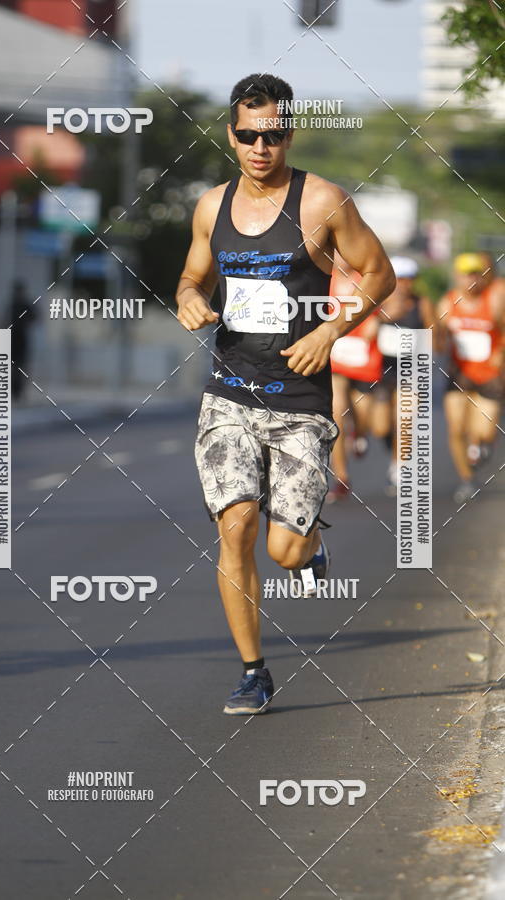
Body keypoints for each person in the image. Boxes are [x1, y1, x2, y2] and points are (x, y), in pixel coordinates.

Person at [175, 74, 395, 715]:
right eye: (248, 136)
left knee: (284, 549)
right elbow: (193, 274)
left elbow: (377, 273)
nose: (260, 148)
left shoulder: (322, 200)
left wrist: (333, 329)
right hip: (229, 391)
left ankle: (309, 545)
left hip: (300, 400)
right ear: (231, 136)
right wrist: (190, 297)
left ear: (289, 134)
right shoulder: (211, 207)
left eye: (272, 136)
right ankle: (253, 671)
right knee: (235, 526)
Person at [437, 252, 505, 503]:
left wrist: (500, 352)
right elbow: (436, 335)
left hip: (488, 375)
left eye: (476, 274)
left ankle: (482, 444)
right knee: (456, 428)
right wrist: (438, 339)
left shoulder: (495, 301)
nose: (471, 280)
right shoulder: (448, 303)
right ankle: (466, 478)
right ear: (457, 277)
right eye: (466, 275)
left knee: (485, 431)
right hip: (459, 374)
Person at [374, 257, 435, 495]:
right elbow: (364, 331)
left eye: (409, 279)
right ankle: (393, 448)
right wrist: (383, 317)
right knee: (380, 427)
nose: (404, 284)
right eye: (400, 279)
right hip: (382, 370)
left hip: (411, 371)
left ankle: (399, 468)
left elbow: (432, 331)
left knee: (405, 419)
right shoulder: (378, 303)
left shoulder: (422, 303)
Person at [327, 255, 384, 502]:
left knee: (364, 417)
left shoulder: (366, 279)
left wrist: (377, 322)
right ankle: (342, 478)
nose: (340, 258)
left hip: (363, 360)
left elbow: (382, 307)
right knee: (336, 413)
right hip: (335, 358)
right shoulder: (324, 279)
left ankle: (359, 433)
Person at [8, 280, 36, 400]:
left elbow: (35, 317)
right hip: (13, 338)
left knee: (21, 366)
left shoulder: (25, 305)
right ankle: (14, 390)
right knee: (14, 366)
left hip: (21, 338)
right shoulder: (13, 305)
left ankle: (19, 391)